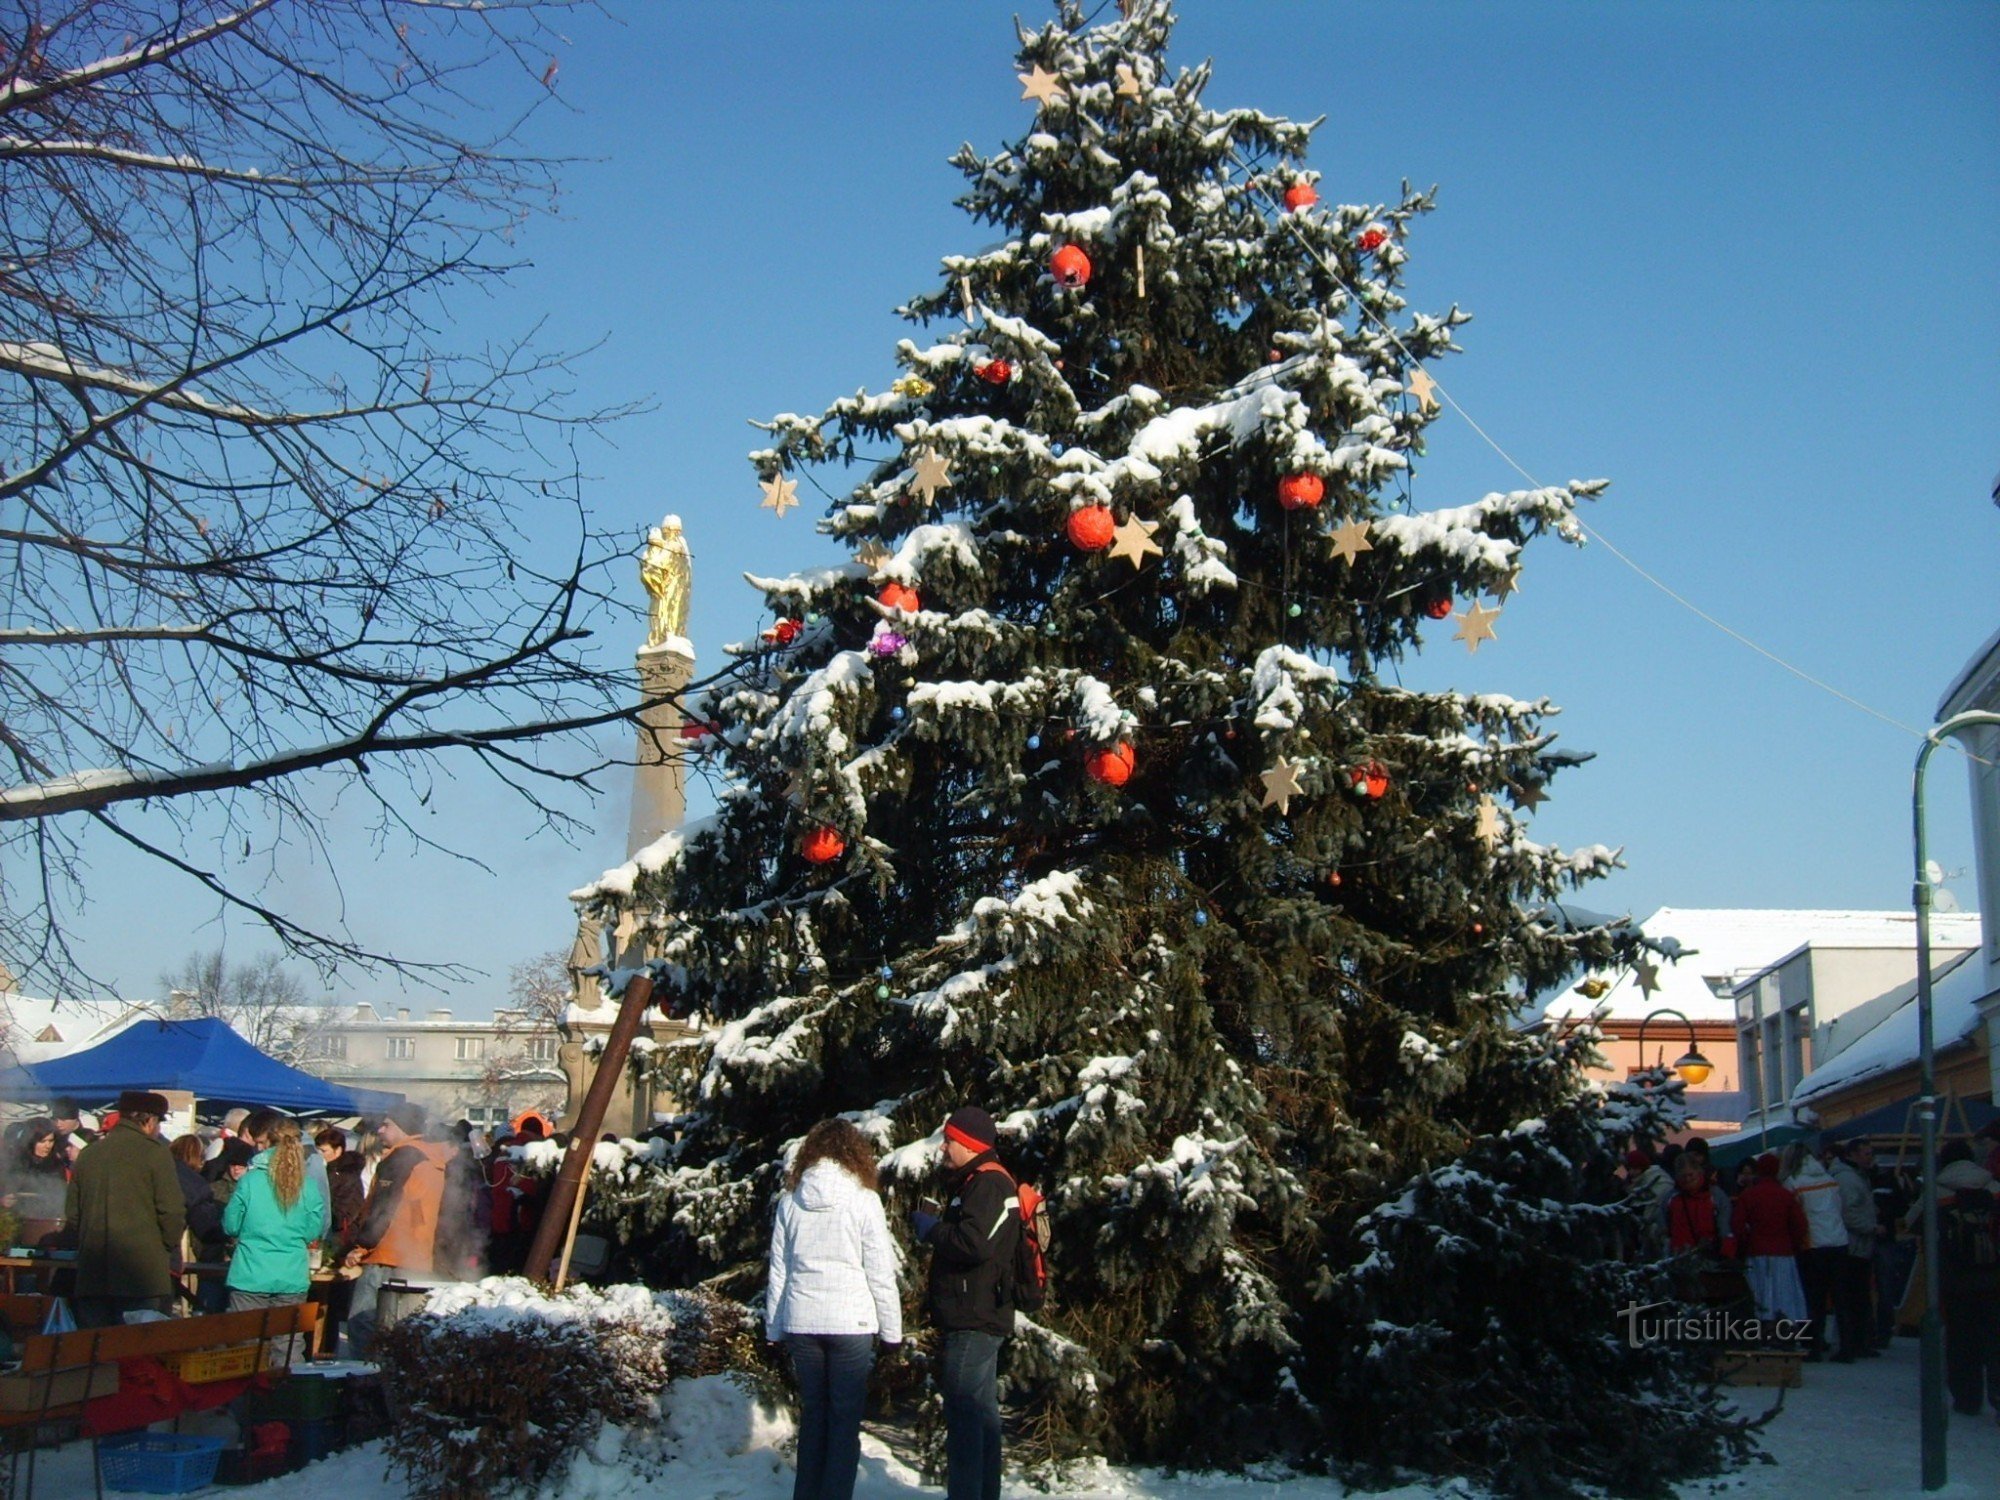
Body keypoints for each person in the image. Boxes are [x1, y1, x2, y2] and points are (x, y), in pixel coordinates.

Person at [766, 1119, 902, 1500]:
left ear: (810, 1153)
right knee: (844, 1424)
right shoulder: (864, 1200)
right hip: (851, 1323)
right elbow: (879, 1271)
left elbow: (780, 1271)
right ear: (854, 1154)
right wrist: (892, 1334)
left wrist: (774, 1331)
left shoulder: (791, 1202)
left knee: (814, 1417)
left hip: (802, 1322)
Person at [910, 1106, 1018, 1500]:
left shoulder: (988, 1184)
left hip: (975, 1319)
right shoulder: (976, 1181)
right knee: (981, 1418)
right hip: (975, 1316)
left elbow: (976, 1243)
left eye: (950, 1140)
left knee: (965, 1419)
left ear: (970, 1145)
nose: (943, 1147)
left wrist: (933, 1229)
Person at [65, 1091, 185, 1328]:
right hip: (141, 1275)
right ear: (149, 1120)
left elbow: (73, 1214)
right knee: (137, 1356)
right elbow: (172, 1211)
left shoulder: (89, 1154)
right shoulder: (155, 1153)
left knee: (95, 1354)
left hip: (93, 1273)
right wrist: (165, 1247)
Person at [342, 1105, 454, 1356]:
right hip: (417, 1254)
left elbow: (384, 1207)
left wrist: (361, 1247)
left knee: (363, 1322)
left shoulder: (401, 1157)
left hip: (387, 1253)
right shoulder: (433, 1158)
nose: (380, 1130)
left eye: (387, 1125)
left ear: (404, 1127)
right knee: (400, 1329)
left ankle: (363, 1380)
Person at [1918, 1140, 2000, 1418]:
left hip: (1955, 1280)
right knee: (1995, 1337)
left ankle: (1967, 1398)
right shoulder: (1993, 1186)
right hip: (1994, 1277)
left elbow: (1912, 1222)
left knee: (1961, 1339)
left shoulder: (1936, 1190)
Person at [222, 1115, 327, 1318]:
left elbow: (231, 1226)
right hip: (292, 1274)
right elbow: (313, 1231)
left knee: (246, 1342)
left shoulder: (250, 1181)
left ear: (267, 1143)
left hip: (250, 1273)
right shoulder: (308, 1184)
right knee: (287, 1343)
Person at [1782, 1141, 1852, 1360]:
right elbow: (1840, 1209)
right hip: (1839, 1241)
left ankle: (1814, 1345)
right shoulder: (1829, 1179)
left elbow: (1794, 1218)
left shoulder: (1793, 1182)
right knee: (1841, 1298)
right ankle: (1846, 1348)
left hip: (1813, 1245)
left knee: (1814, 1299)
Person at [1732, 1153, 1810, 1340]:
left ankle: (1760, 1334)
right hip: (1783, 1253)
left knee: (1760, 1296)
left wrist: (1746, 1242)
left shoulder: (1748, 1195)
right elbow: (1800, 1225)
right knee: (1783, 1297)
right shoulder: (1786, 1196)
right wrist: (1792, 1243)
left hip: (1757, 1252)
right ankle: (1783, 1335)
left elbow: (1737, 1225)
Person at [1831, 1141, 1882, 1358]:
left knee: (1857, 1296)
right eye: (1866, 1153)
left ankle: (1858, 1342)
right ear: (1852, 1155)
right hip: (1853, 1245)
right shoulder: (1849, 1179)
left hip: (1858, 1245)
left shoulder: (1856, 1176)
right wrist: (1871, 1227)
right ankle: (1853, 1343)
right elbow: (1848, 1213)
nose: (1870, 1157)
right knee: (1854, 1296)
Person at [5, 1119, 72, 1236]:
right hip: (17, 1223)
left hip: (47, 1224)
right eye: (42, 1141)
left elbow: (61, 1195)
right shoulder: (16, 1163)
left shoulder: (56, 1165)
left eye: (50, 1141)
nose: (47, 1146)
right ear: (31, 1141)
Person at [1662, 1152, 1734, 1259]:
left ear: (1698, 1171)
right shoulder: (1670, 1198)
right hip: (1680, 1258)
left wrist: (1726, 1251)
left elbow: (1725, 1224)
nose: (1687, 1179)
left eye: (1690, 1175)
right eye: (1683, 1176)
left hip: (1709, 1257)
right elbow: (1663, 1228)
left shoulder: (1715, 1195)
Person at [316, 1128, 367, 1241]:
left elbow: (343, 1215)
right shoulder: (320, 1171)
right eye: (317, 1151)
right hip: (321, 1232)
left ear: (338, 1150)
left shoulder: (349, 1176)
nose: (319, 1155)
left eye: (323, 1151)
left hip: (339, 1238)